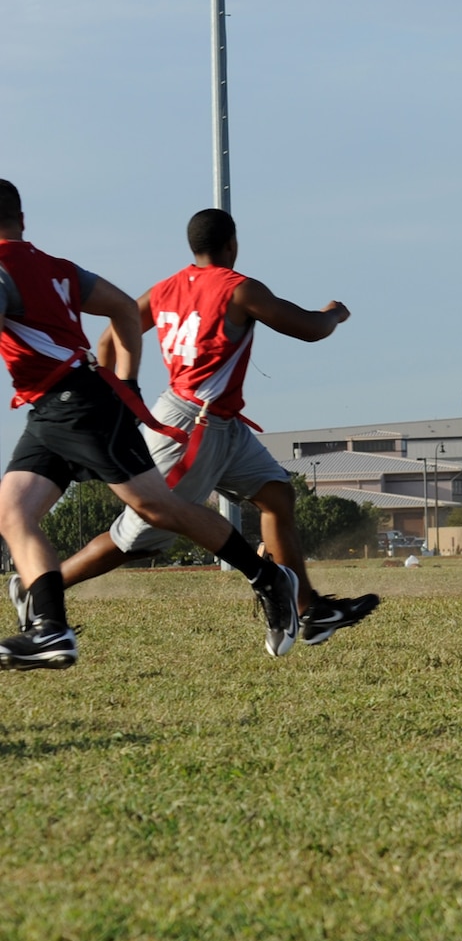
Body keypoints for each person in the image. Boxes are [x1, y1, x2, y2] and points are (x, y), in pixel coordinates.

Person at [29, 207, 379, 649]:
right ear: (232, 245)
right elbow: (309, 328)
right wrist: (335, 313)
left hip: (221, 423)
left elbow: (108, 336)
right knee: (138, 538)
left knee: (276, 495)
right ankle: (39, 589)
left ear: (193, 247)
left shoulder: (167, 287)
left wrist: (124, 388)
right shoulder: (239, 289)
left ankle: (309, 610)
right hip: (191, 427)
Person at [0, 180, 302, 666]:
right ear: (22, 219)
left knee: (157, 509)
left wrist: (123, 387)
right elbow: (120, 307)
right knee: (13, 511)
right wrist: (128, 384)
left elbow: (123, 313)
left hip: (76, 405)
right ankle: (49, 628)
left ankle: (270, 579)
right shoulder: (55, 268)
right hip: (57, 406)